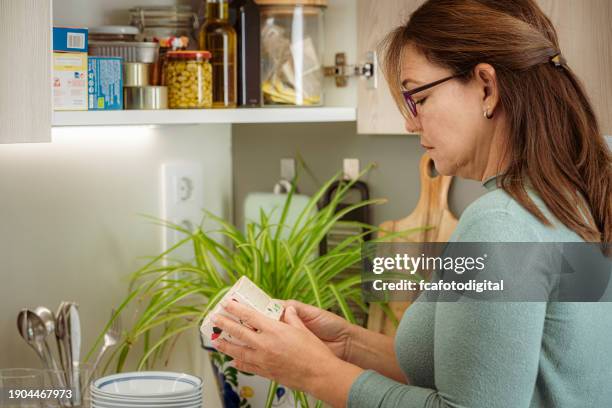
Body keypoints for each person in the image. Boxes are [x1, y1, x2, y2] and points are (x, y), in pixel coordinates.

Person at [209, 0, 612, 406]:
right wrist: (347, 345)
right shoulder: (583, 185)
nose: (409, 121)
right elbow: (490, 371)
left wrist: (314, 372)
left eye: (417, 96)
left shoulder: (502, 223)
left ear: (487, 87)